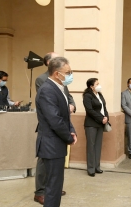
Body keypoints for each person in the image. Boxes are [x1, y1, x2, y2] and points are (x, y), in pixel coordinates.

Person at [34, 52, 76, 205]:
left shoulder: (59, 87)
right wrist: (69, 137)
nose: (71, 75)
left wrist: (72, 130)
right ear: (57, 74)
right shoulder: (47, 90)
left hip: (57, 143)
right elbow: (55, 120)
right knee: (52, 187)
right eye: (68, 73)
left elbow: (64, 113)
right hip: (51, 144)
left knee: (56, 185)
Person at [83, 78, 109, 177]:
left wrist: (106, 117)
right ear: (91, 86)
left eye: (99, 83)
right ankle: (90, 168)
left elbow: (104, 108)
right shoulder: (87, 96)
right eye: (97, 84)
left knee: (98, 146)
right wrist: (101, 118)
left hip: (100, 123)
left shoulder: (100, 95)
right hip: (91, 124)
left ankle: (97, 167)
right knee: (91, 146)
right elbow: (89, 110)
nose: (99, 85)